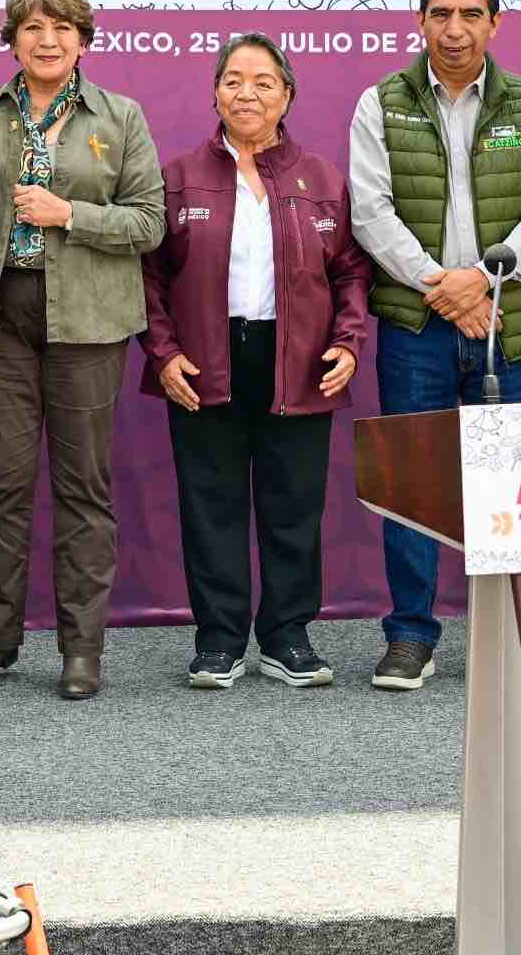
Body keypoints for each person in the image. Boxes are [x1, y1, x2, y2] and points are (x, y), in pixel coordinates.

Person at [349, 0, 521, 694]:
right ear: (420, 20)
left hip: (508, 324)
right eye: (441, 13)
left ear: (495, 22)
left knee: (508, 486)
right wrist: (442, 287)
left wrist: (483, 282)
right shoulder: (381, 103)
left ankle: (508, 636)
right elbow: (370, 211)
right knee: (413, 482)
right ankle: (411, 635)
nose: (455, 28)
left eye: (472, 14)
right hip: (418, 326)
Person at [0, 0, 165, 702]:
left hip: (90, 319)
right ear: (12, 39)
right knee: (1, 485)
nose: (48, 40)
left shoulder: (121, 116)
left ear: (83, 40)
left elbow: (149, 222)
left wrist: (68, 213)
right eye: (33, 27)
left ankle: (81, 648)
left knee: (83, 488)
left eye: (63, 28)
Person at [140, 34, 370, 691]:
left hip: (299, 360)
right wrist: (164, 354)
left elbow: (352, 271)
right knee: (210, 505)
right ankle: (218, 641)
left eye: (264, 82)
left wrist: (348, 341)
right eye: (234, 80)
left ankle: (287, 636)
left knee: (293, 505)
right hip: (204, 361)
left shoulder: (320, 178)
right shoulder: (178, 176)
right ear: (215, 93)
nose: (247, 93)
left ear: (287, 96)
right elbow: (148, 276)